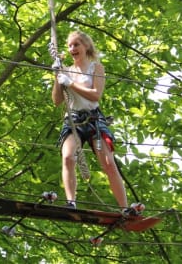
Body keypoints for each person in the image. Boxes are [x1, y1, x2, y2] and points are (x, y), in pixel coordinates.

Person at [51, 30, 129, 210]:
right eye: (70, 45)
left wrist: (70, 83)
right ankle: (71, 202)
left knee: (108, 163)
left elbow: (95, 96)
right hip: (74, 120)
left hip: (93, 119)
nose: (72, 48)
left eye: (76, 44)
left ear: (86, 46)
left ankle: (124, 208)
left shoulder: (96, 68)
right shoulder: (66, 71)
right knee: (68, 157)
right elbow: (56, 101)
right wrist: (57, 77)